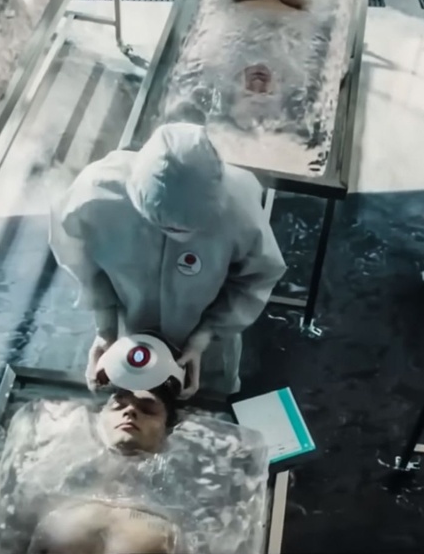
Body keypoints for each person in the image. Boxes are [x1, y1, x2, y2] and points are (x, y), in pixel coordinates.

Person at [49, 122, 286, 398]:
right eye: (165, 226)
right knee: (135, 391)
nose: (177, 236)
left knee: (207, 398)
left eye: (187, 230)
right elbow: (83, 264)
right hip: (129, 326)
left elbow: (257, 277)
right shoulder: (93, 196)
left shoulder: (240, 206)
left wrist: (204, 336)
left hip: (207, 337)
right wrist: (106, 328)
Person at [25, 389, 180, 554]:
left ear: (168, 430)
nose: (130, 411)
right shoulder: (43, 486)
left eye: (147, 410)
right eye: (118, 406)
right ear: (99, 417)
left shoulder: (177, 516)